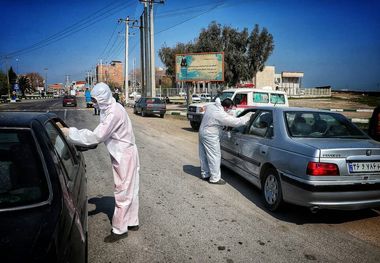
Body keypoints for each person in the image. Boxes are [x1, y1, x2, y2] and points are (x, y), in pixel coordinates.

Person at [60, 82, 140, 243]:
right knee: (131, 188)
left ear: (103, 97)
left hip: (124, 155)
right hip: (125, 152)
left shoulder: (114, 113)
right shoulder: (111, 108)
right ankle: (132, 221)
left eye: (96, 99)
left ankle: (119, 229)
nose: (94, 103)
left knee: (123, 190)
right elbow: (103, 133)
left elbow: (97, 136)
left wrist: (70, 133)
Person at [198, 98, 250, 184]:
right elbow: (235, 122)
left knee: (204, 155)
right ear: (225, 107)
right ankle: (215, 178)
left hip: (202, 131)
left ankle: (205, 174)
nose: (230, 110)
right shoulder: (220, 114)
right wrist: (247, 118)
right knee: (214, 156)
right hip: (210, 135)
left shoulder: (212, 106)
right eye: (230, 108)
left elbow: (207, 109)